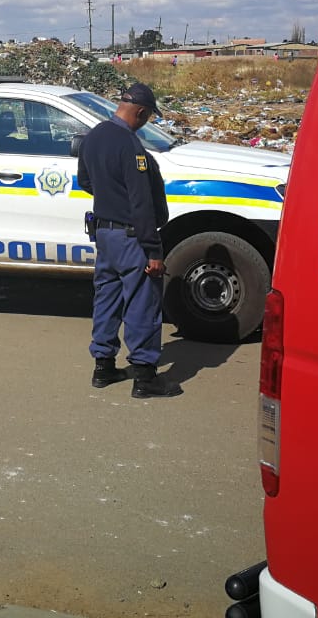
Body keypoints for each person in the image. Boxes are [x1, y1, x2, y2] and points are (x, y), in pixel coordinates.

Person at [77, 82, 180, 398]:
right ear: (141, 112)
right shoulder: (131, 146)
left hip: (105, 235)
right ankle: (145, 377)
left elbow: (84, 181)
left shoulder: (93, 137)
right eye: (148, 117)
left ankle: (103, 367)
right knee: (142, 303)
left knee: (106, 298)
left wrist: (110, 198)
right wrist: (153, 250)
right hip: (131, 237)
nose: (146, 122)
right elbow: (141, 203)